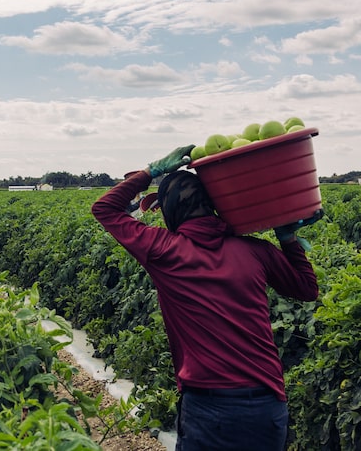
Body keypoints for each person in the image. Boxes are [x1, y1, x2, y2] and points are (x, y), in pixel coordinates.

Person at [91, 145, 320, 451]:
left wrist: (150, 171)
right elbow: (306, 289)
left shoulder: (164, 251)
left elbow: (104, 209)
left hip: (209, 408)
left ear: (171, 212)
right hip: (267, 405)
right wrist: (288, 239)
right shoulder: (256, 250)